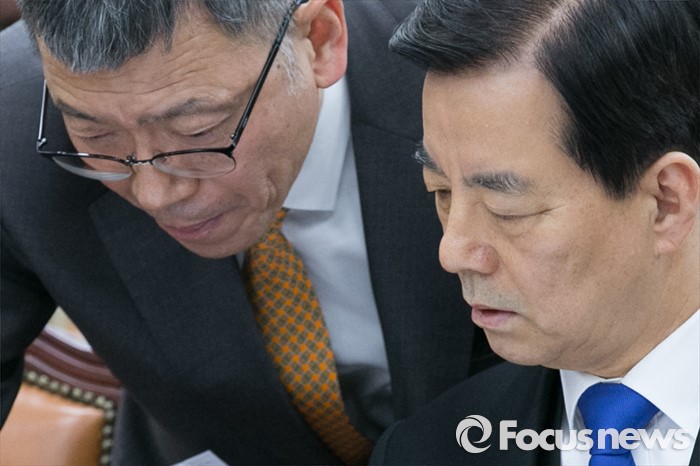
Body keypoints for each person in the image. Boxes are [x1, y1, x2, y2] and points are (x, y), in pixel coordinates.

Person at [0, 0, 498, 464]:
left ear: (320, 39)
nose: (156, 195)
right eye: (96, 136)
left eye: (197, 131)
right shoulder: (10, 124)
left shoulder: (493, 62)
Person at [370, 0, 700, 465]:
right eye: (440, 191)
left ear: (667, 202)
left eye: (506, 209)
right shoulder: (426, 451)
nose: (453, 251)